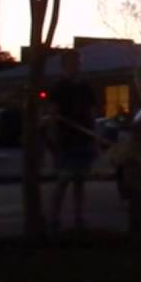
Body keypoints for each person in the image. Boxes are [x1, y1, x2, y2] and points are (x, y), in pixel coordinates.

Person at [47, 50, 99, 232]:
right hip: (66, 139)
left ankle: (79, 216)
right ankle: (54, 217)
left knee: (80, 181)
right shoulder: (59, 88)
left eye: (78, 62)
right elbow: (53, 114)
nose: (76, 66)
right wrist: (54, 138)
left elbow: (92, 113)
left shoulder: (86, 88)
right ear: (64, 66)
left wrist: (94, 137)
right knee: (63, 180)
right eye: (72, 63)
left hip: (83, 138)